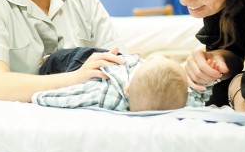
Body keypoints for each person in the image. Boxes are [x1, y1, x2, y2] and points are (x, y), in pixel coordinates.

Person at [33, 48, 212, 112]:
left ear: (128, 89)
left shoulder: (106, 95)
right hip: (114, 60)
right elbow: (201, 94)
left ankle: (46, 61)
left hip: (81, 63)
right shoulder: (181, 101)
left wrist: (40, 96)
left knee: (54, 60)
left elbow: (70, 96)